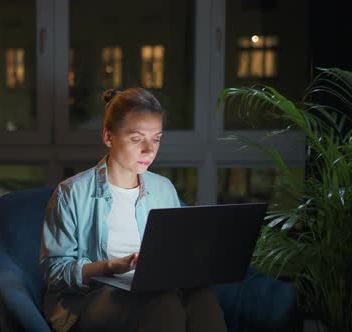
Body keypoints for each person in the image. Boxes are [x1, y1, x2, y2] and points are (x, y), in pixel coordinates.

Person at [40, 87, 227, 332]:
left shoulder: (163, 189)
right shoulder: (71, 193)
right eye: (137, 139)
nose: (149, 150)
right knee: (164, 305)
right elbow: (54, 272)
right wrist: (109, 267)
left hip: (155, 289)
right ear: (108, 137)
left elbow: (176, 255)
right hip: (93, 298)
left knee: (203, 298)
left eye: (156, 138)